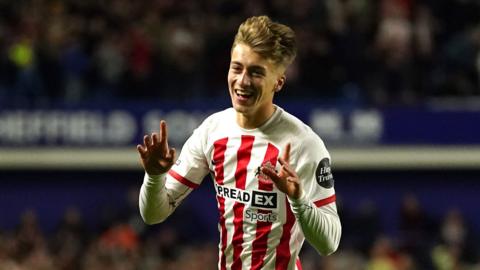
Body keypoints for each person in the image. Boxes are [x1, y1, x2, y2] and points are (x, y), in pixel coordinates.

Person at [137, 15, 341, 270]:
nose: (242, 81)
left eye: (256, 72)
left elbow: (329, 243)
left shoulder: (304, 144)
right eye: (237, 68)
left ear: (278, 82)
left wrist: (298, 200)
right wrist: (155, 176)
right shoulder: (213, 131)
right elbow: (153, 214)